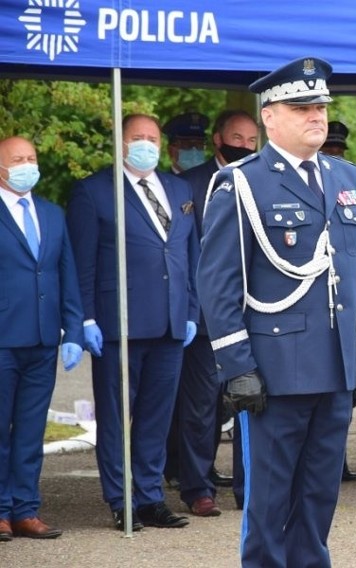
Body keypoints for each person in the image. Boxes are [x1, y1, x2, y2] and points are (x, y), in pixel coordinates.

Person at [196, 57, 356, 567]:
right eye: (302, 107)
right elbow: (218, 283)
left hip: (336, 367)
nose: (316, 117)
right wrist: (237, 368)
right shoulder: (242, 183)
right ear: (269, 116)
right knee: (269, 501)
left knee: (321, 496)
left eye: (321, 106)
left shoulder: (348, 179)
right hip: (274, 371)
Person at [66, 114, 199, 531]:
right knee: (115, 416)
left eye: (152, 138)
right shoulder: (94, 191)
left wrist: (192, 311)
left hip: (171, 323)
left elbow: (190, 256)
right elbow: (82, 264)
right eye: (137, 137)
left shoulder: (179, 188)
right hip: (118, 323)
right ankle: (120, 498)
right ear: (120, 143)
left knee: (157, 418)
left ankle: (149, 497)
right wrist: (85, 318)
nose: (146, 144)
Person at [164, 109, 260, 516]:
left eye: (252, 140)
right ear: (218, 139)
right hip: (205, 316)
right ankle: (198, 486)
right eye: (237, 137)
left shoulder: (263, 179)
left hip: (255, 312)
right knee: (202, 405)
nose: (244, 145)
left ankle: (250, 486)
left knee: (251, 401)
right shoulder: (190, 184)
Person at [0, 136, 84, 541]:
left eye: (31, 158)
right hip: (3, 339)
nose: (26, 165)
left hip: (43, 339)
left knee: (31, 431)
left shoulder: (51, 214)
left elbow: (66, 272)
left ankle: (25, 509)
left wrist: (74, 327)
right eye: (17, 159)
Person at [320, 120, 356, 483]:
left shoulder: (352, 179)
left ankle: (340, 462)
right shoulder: (252, 179)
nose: (333, 154)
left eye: (337, 149)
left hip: (343, 322)